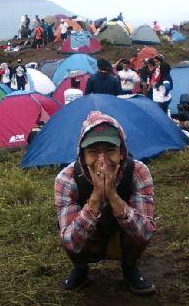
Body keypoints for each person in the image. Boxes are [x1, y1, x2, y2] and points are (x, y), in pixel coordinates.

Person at [55, 111, 156, 295]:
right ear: (82, 155)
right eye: (93, 151)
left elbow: (146, 232)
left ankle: (129, 266)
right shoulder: (66, 179)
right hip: (90, 234)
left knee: (139, 225)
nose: (102, 160)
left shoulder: (138, 172)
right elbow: (70, 241)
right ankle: (80, 268)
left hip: (122, 232)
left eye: (110, 150)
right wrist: (95, 197)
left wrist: (112, 196)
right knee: (65, 228)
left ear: (122, 152)